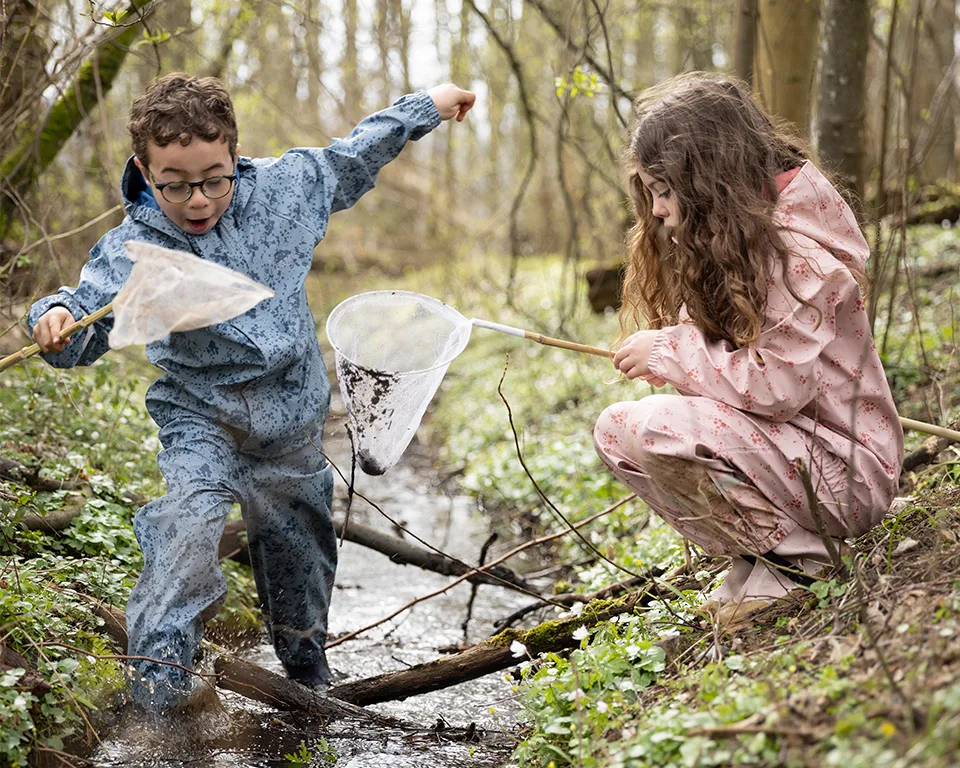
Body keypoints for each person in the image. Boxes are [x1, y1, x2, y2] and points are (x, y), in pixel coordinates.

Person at [29, 73, 475, 710]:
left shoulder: (284, 191)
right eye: (175, 184)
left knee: (300, 551)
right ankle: (157, 699)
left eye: (214, 178)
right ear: (144, 171)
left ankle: (305, 676)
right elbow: (80, 327)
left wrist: (426, 107)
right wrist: (52, 321)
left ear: (235, 158)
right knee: (185, 529)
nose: (198, 200)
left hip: (290, 419)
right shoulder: (135, 250)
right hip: (200, 419)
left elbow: (355, 154)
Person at [593, 73, 902, 625]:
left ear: (706, 179)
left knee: (656, 426)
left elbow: (777, 386)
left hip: (844, 471)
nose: (658, 210)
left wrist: (671, 353)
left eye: (664, 191)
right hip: (796, 456)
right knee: (618, 429)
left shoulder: (796, 257)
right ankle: (767, 551)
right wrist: (682, 353)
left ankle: (801, 562)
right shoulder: (736, 247)